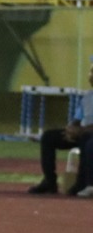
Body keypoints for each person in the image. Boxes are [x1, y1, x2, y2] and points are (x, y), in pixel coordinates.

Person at [28, 61, 93, 197]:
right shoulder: (87, 97)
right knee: (49, 137)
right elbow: (77, 119)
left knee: (87, 142)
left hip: (88, 135)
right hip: (83, 133)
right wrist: (70, 129)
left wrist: (81, 131)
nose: (91, 75)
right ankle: (49, 181)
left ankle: (85, 184)